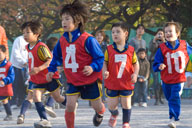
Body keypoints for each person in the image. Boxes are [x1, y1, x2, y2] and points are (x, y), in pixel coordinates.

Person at [47, 1, 105, 128]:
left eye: (67, 19)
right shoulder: (62, 40)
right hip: (73, 80)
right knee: (69, 105)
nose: (64, 22)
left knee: (97, 106)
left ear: (77, 20)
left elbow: (100, 58)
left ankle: (100, 113)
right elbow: (56, 56)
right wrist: (51, 69)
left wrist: (92, 67)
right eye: (62, 19)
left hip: (90, 80)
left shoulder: (88, 39)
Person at [21, 20, 65, 128]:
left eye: (27, 32)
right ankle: (44, 120)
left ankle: (71, 103)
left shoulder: (41, 46)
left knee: (58, 98)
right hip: (38, 79)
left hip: (49, 76)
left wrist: (39, 68)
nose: (24, 35)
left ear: (36, 34)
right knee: (36, 97)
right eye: (23, 32)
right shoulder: (27, 47)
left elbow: (49, 61)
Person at [153, 21, 192, 128]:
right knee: (169, 98)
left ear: (177, 33)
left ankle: (174, 117)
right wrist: (160, 65)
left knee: (175, 97)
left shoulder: (184, 45)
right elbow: (156, 62)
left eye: (171, 31)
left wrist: (189, 74)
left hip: (179, 79)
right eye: (166, 32)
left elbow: (191, 56)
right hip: (166, 80)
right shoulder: (162, 48)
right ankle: (173, 116)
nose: (168, 33)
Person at [103, 22, 139, 128]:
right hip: (112, 82)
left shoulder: (131, 50)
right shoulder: (109, 49)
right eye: (113, 32)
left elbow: (136, 64)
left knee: (126, 104)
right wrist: (105, 71)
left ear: (125, 33)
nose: (115, 34)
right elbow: (104, 62)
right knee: (111, 105)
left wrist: (135, 74)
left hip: (126, 82)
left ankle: (125, 123)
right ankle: (114, 114)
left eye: (118, 32)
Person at [16, 36, 59, 125]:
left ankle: (21, 114)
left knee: (30, 97)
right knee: (53, 93)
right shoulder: (40, 49)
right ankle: (49, 106)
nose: (25, 35)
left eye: (27, 32)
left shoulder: (36, 48)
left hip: (34, 75)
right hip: (42, 76)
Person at [9, 35, 28, 108]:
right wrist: (24, 62)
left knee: (23, 85)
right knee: (15, 85)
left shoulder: (32, 41)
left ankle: (21, 102)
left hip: (25, 67)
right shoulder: (19, 40)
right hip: (16, 66)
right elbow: (15, 53)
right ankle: (12, 102)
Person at [149, 29, 165, 105]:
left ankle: (161, 96)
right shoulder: (153, 41)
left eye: (161, 34)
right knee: (155, 81)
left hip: (162, 63)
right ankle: (157, 99)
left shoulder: (165, 42)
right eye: (158, 34)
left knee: (162, 81)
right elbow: (151, 49)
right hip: (154, 62)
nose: (159, 35)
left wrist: (164, 41)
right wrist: (154, 41)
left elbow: (166, 50)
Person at [0, 45, 15, 121]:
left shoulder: (9, 65)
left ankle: (9, 115)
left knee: (4, 100)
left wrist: (5, 81)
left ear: (5, 53)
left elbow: (12, 76)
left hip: (5, 87)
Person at [95, 30, 107, 102]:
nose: (99, 37)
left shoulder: (105, 46)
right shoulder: (92, 44)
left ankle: (102, 97)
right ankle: (94, 98)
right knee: (94, 82)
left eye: (101, 35)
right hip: (94, 65)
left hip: (102, 65)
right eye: (98, 35)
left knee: (102, 82)